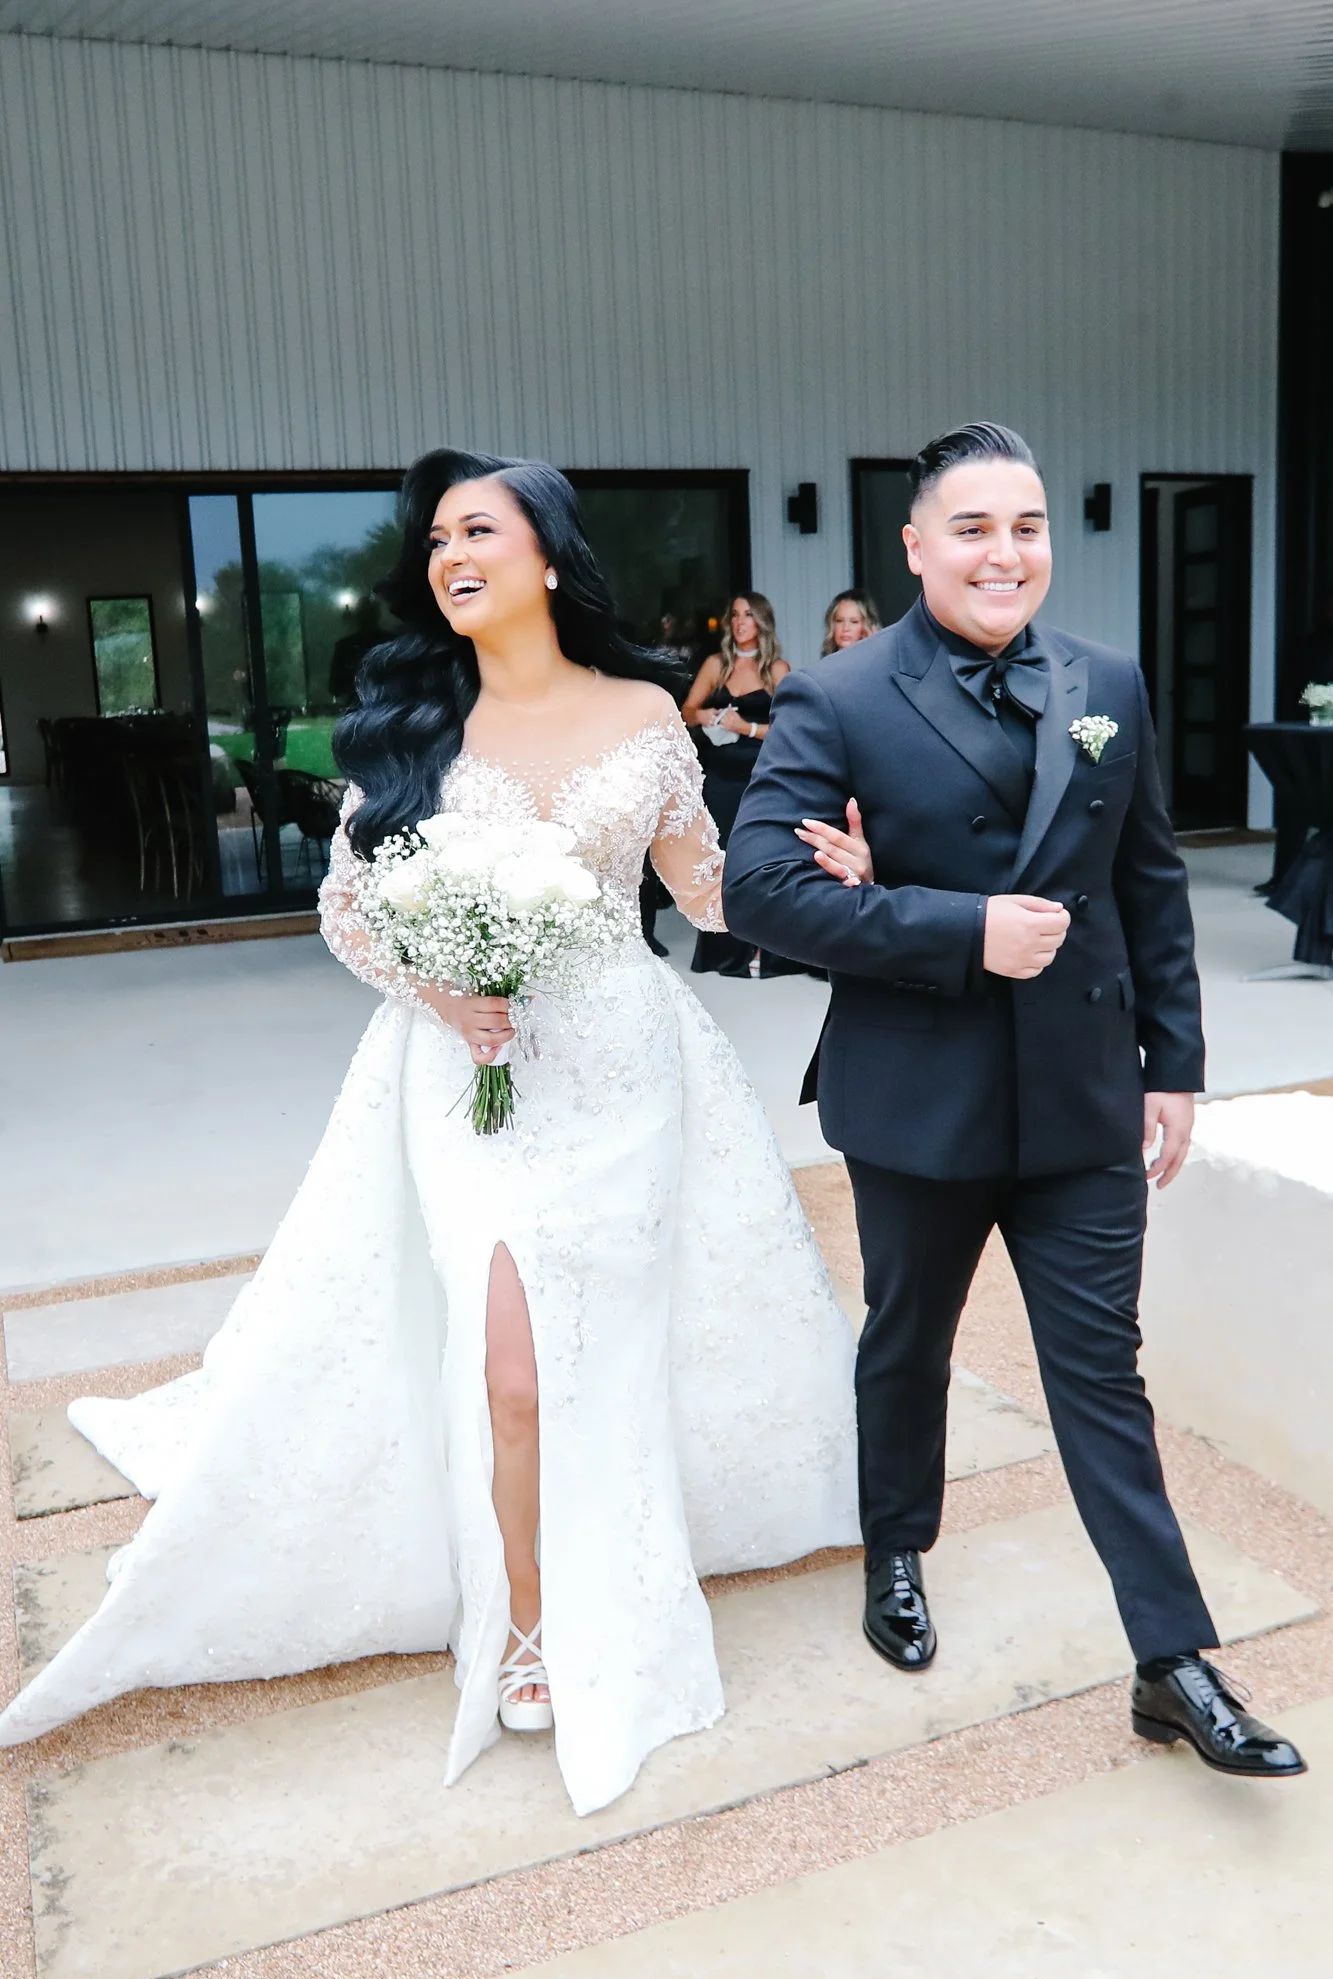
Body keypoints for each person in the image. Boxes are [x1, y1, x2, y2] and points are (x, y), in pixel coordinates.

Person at [0, 452, 864, 1819]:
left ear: (548, 557)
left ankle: (618, 1570)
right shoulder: (415, 720)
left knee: (608, 1347)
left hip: (624, 1070)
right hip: (469, 1073)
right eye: (439, 540)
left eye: (479, 531)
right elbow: (349, 909)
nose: (450, 555)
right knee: (510, 1367)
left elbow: (702, 891)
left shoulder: (645, 711)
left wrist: (815, 872)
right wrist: (446, 993)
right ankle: (523, 1618)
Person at [723, 422, 1306, 1779]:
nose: (1005, 552)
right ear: (916, 545)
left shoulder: (1107, 680)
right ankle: (895, 1546)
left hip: (1080, 1093)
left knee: (1100, 1372)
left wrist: (1173, 1062)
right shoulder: (840, 696)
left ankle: (1172, 1660)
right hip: (915, 1095)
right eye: (973, 527)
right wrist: (955, 926)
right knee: (907, 1341)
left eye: (1026, 526)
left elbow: (1146, 881)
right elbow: (758, 890)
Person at [682, 593, 803, 976]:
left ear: (762, 621)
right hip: (719, 776)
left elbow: (791, 728)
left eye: (748, 615)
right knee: (721, 858)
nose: (739, 621)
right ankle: (723, 952)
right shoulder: (716, 664)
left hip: (761, 776)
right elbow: (686, 711)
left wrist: (745, 727)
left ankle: (766, 948)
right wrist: (705, 715)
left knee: (760, 857)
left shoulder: (777, 669)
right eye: (734, 615)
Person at [821, 590, 881, 656]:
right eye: (839, 621)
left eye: (854, 622)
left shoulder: (879, 659)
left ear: (867, 625)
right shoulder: (826, 661)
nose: (845, 628)